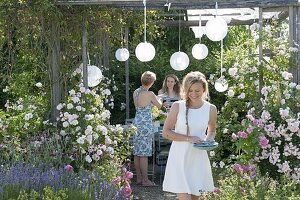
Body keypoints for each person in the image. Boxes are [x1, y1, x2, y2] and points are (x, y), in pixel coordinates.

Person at [162, 71, 217, 200]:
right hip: (179, 157)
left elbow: (212, 130)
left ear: (204, 89)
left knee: (194, 198)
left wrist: (208, 141)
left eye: (197, 90)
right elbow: (166, 132)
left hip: (197, 158)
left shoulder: (211, 108)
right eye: (190, 90)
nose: (193, 94)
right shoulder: (177, 106)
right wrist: (188, 138)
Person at [132, 71, 162, 187]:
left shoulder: (136, 92)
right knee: (143, 154)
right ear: (151, 82)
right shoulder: (150, 94)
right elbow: (159, 106)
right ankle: (145, 180)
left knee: (137, 153)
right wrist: (159, 98)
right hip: (145, 125)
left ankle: (139, 178)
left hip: (136, 123)